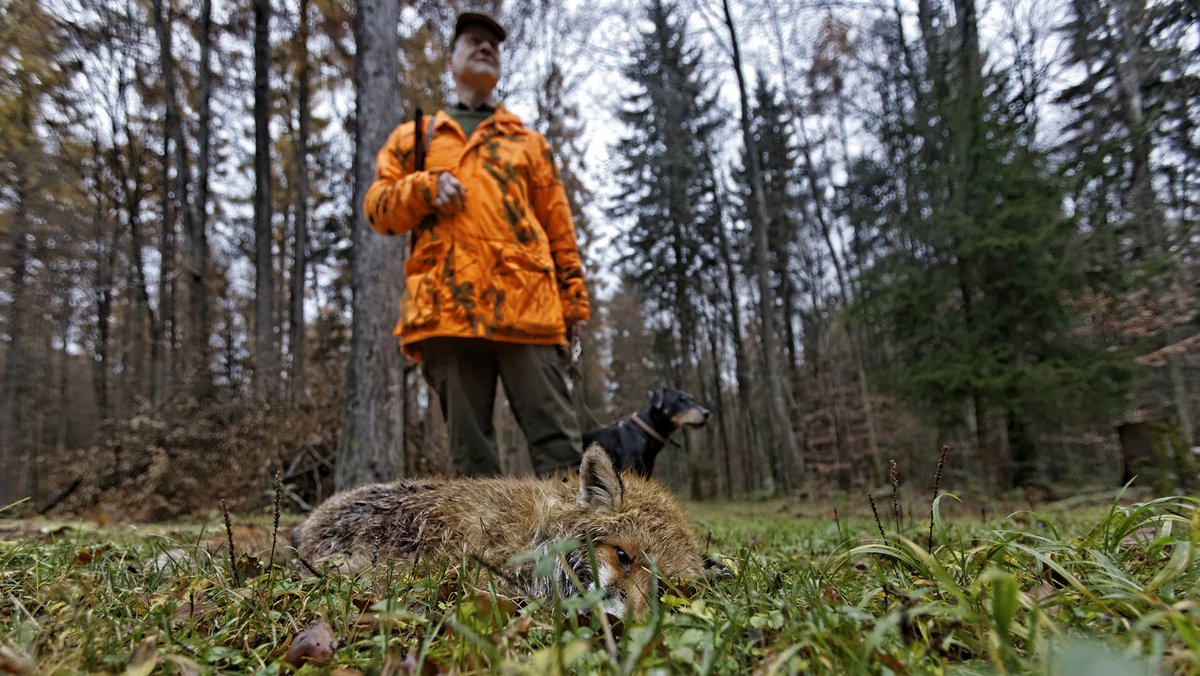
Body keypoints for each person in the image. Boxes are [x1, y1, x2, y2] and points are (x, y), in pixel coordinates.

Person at [363, 11, 590, 477]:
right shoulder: (417, 137)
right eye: (473, 40)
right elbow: (378, 209)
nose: (486, 47)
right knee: (472, 462)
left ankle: (577, 528)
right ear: (451, 61)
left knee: (560, 451)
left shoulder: (527, 143)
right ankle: (487, 531)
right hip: (447, 311)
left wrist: (574, 304)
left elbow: (559, 228)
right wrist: (426, 188)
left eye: (493, 44)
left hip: (530, 309)